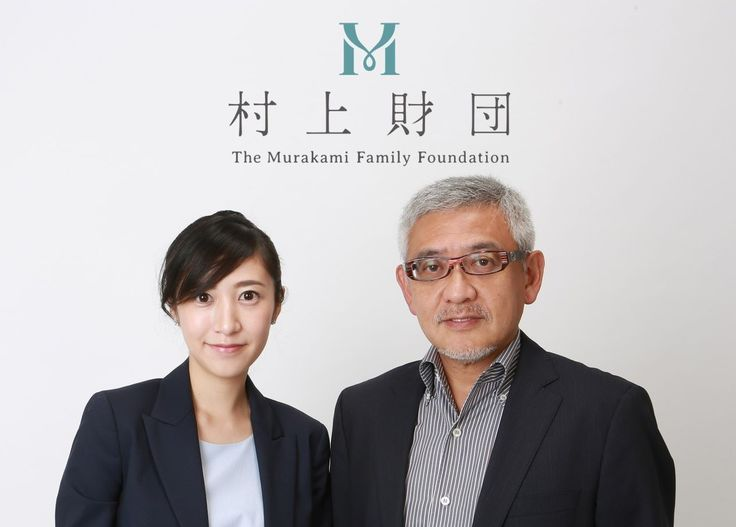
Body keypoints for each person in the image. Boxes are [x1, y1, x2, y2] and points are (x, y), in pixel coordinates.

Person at [331, 176, 675, 527]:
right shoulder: (361, 413)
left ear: (530, 275)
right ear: (407, 289)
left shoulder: (608, 414)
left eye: (483, 262)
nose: (458, 292)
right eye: (432, 267)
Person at [57, 211, 330, 527]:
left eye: (248, 296)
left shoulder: (304, 439)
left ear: (277, 304)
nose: (227, 324)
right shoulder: (116, 422)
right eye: (203, 297)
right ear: (174, 306)